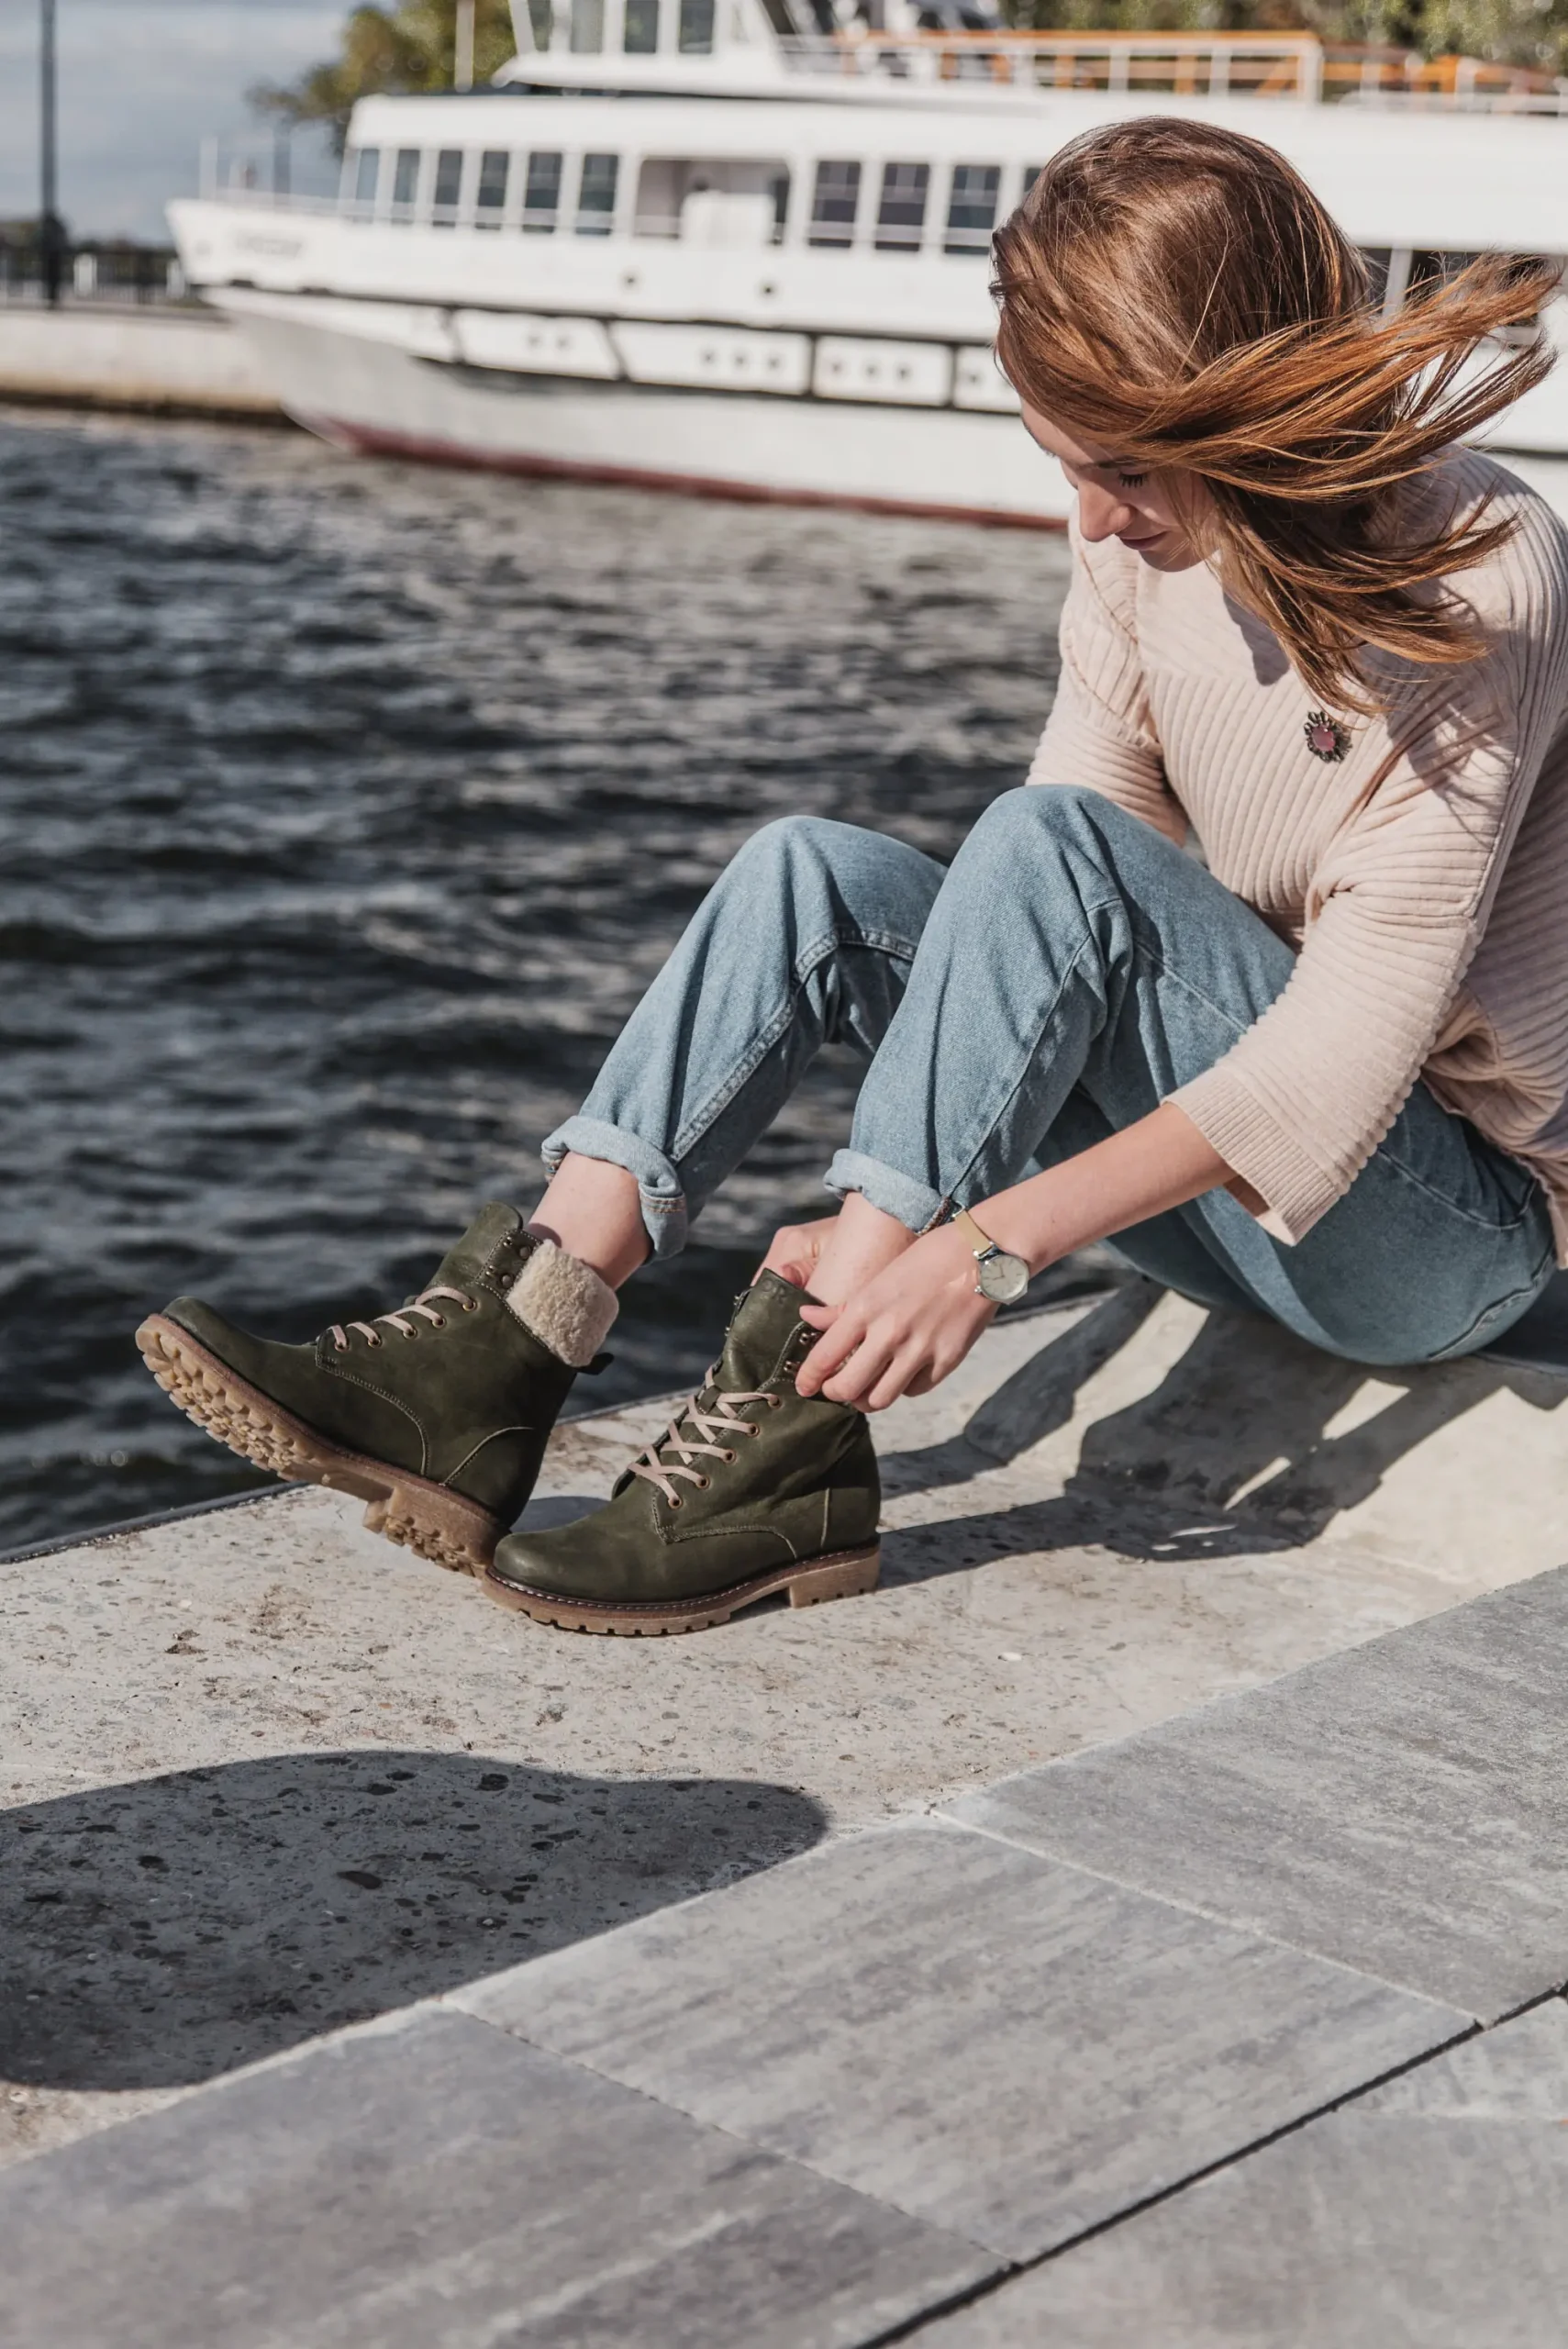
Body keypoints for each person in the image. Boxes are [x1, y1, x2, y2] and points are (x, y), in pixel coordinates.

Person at [139, 118, 1568, 1637]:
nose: (1090, 515)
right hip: (1263, 1189)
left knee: (1039, 849)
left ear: (1242, 405)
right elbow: (1050, 905)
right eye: (1065, 465)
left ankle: (794, 1436)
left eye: (1124, 468)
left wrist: (974, 1247)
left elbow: (1333, 1069)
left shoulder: (1479, 569)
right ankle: (504, 1350)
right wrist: (922, 1195)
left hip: (1453, 1232)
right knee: (808, 875)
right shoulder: (1141, 552)